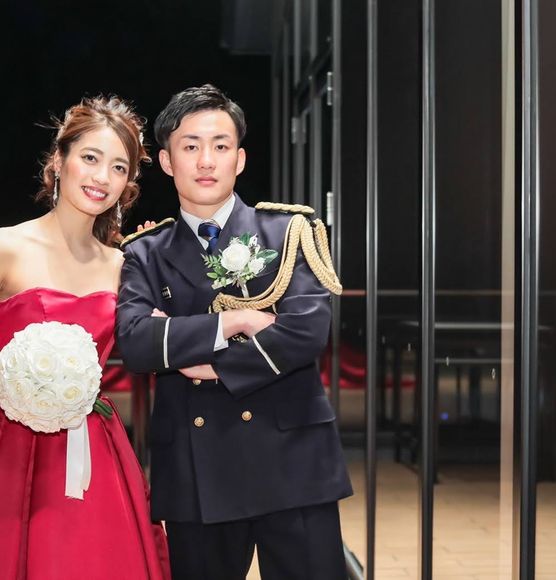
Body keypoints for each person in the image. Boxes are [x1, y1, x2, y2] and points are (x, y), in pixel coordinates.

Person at [116, 84, 352, 580]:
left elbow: (306, 332)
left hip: (294, 461)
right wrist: (236, 321)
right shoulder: (144, 253)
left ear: (239, 159)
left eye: (220, 146)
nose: (206, 160)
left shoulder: (288, 232)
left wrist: (205, 362)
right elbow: (136, 343)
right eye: (190, 146)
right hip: (196, 468)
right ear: (167, 161)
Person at [0, 96, 170, 579]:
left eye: (118, 167)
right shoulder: (7, 247)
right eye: (90, 158)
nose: (101, 177)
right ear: (59, 161)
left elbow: (159, 340)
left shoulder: (123, 266)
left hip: (90, 447)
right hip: (8, 442)